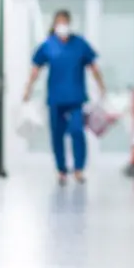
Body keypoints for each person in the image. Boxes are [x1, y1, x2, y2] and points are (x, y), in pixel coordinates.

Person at [24, 10, 106, 185]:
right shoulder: (48, 45)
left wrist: (102, 87)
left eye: (65, 22)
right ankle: (61, 170)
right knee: (57, 135)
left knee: (77, 131)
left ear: (69, 23)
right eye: (59, 22)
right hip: (56, 99)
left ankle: (78, 169)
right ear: (54, 24)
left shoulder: (79, 44)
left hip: (76, 99)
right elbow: (36, 69)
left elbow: (93, 67)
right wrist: (28, 90)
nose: (62, 26)